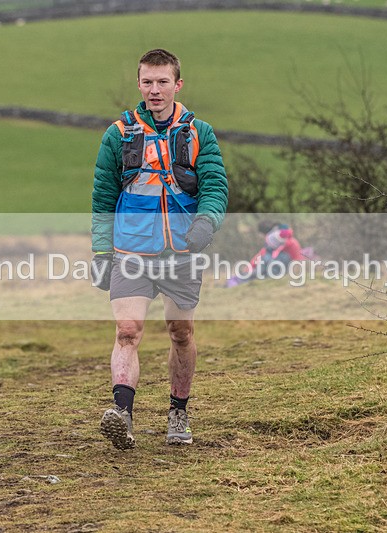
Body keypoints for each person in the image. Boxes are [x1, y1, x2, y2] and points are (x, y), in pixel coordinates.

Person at [90, 49, 228, 450]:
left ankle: (178, 411)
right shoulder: (118, 134)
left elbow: (215, 186)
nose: (154, 90)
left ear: (177, 85)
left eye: (162, 81)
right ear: (138, 84)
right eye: (147, 82)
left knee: (180, 332)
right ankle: (123, 415)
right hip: (130, 250)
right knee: (127, 330)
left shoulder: (200, 132)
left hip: (181, 252)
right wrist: (101, 252)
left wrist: (206, 223)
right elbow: (103, 196)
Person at [226, 221, 306, 287]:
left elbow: (298, 262)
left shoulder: (291, 245)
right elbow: (260, 257)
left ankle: (237, 280)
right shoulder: (273, 247)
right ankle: (236, 280)